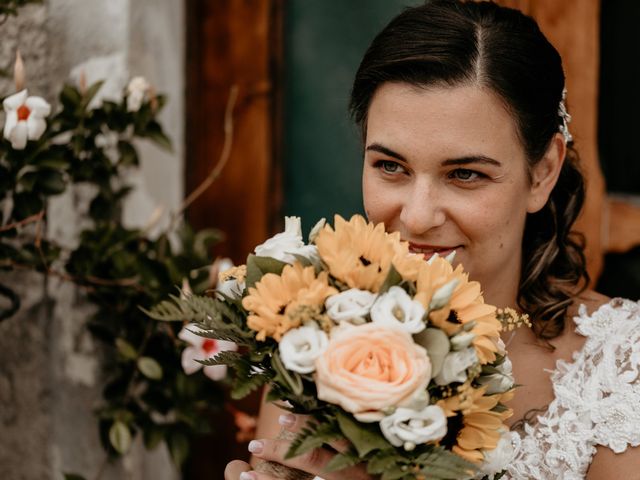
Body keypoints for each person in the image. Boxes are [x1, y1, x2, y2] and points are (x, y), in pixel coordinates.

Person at [225, 1, 640, 478]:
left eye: (465, 173)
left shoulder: (621, 370)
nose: (417, 217)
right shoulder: (314, 339)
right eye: (390, 167)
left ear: (543, 172)